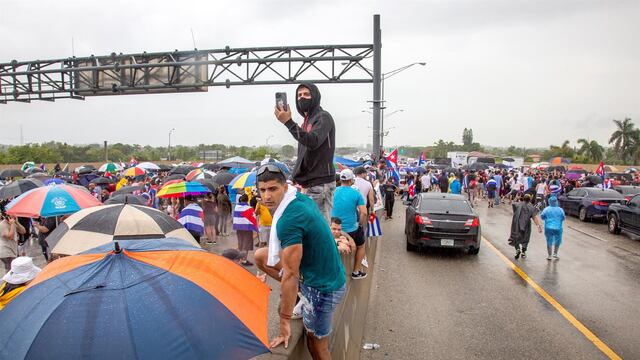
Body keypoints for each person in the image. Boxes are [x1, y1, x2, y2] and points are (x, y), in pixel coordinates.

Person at [252, 164, 345, 358]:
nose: (267, 196)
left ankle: (302, 293)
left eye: (273, 189)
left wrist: (284, 321)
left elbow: (291, 274)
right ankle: (301, 291)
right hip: (322, 271)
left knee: (316, 345)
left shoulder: (290, 218)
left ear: (284, 187)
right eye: (263, 190)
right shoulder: (295, 197)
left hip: (323, 287)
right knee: (261, 255)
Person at [274, 82, 336, 222]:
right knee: (310, 227)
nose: (302, 98)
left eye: (306, 94)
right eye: (299, 95)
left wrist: (288, 122)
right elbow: (305, 154)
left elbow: (313, 141)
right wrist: (294, 176)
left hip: (320, 183)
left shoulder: (322, 117)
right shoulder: (306, 122)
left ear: (315, 97)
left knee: (318, 229)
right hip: (309, 184)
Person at [332, 169, 368, 279]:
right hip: (351, 229)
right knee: (361, 246)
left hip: (334, 228)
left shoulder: (333, 191)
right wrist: (360, 224)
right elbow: (364, 212)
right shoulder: (356, 193)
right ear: (351, 180)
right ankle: (356, 272)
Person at [509, 194, 543, 259]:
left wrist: (517, 197)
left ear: (523, 198)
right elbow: (534, 217)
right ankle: (523, 252)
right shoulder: (531, 207)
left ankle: (517, 249)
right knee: (526, 238)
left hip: (517, 224)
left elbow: (513, 204)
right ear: (529, 200)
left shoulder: (517, 205)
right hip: (526, 224)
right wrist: (538, 226)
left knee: (516, 237)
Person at [233, 194, 258, 266]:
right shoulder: (249, 208)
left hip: (239, 228)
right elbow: (253, 219)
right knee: (246, 244)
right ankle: (244, 260)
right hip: (247, 228)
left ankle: (239, 258)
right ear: (247, 200)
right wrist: (256, 228)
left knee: (240, 243)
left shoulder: (236, 207)